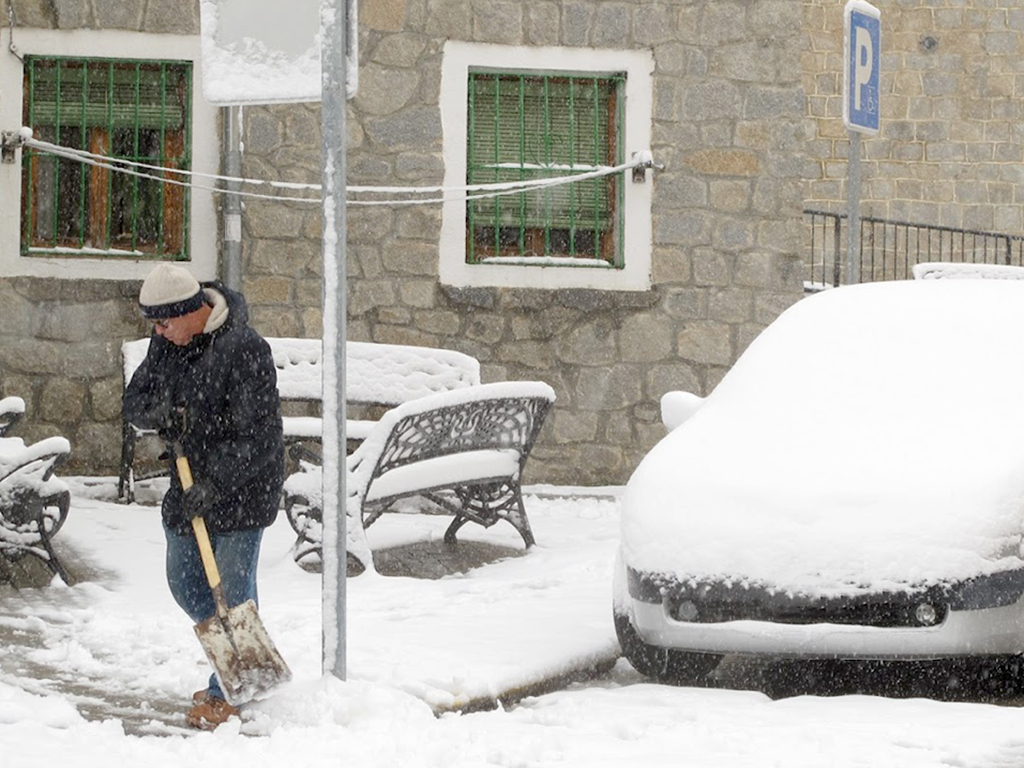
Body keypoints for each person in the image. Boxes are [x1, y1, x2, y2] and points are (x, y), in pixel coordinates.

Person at [122, 263, 285, 730]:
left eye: (164, 321)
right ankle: (245, 656)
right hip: (187, 484)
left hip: (242, 486)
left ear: (191, 311)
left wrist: (214, 484)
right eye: (154, 324)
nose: (158, 331)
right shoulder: (166, 344)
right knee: (184, 580)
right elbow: (136, 399)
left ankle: (229, 692)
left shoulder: (244, 349)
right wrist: (157, 413)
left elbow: (260, 435)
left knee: (231, 593)